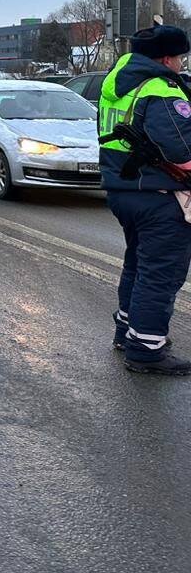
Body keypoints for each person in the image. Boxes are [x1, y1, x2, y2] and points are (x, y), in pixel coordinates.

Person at [99, 25, 191, 375]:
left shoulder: (119, 83)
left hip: (124, 191)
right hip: (158, 194)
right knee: (161, 273)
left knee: (138, 265)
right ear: (167, 58)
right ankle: (147, 349)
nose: (182, 64)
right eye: (180, 57)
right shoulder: (160, 88)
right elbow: (181, 149)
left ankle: (128, 332)